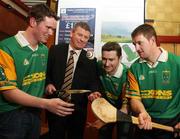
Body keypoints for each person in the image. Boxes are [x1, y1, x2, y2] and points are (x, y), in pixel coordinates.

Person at [0, 4, 74, 139]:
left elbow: (37, 78)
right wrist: (46, 103)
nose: (51, 33)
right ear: (33, 22)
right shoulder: (6, 48)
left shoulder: (44, 50)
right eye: (48, 27)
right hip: (11, 115)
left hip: (35, 113)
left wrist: (47, 86)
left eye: (53, 29)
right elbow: (9, 92)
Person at [45, 21, 100, 139]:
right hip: (55, 106)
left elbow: (93, 82)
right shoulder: (55, 50)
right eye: (80, 35)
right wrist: (48, 83)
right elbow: (46, 72)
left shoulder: (90, 59)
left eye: (86, 37)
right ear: (72, 33)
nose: (82, 39)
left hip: (78, 110)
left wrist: (93, 93)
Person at [126, 24, 180, 139]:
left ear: (152, 40)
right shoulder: (134, 68)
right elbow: (135, 99)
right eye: (134, 44)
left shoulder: (177, 63)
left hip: (171, 123)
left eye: (140, 43)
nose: (136, 48)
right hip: (145, 121)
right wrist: (142, 112)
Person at [88, 42, 131, 139]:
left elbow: (125, 108)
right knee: (103, 133)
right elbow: (92, 81)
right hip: (107, 108)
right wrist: (93, 93)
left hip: (123, 111)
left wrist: (105, 120)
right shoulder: (99, 66)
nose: (107, 64)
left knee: (123, 134)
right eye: (104, 59)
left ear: (120, 58)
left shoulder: (127, 75)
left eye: (111, 60)